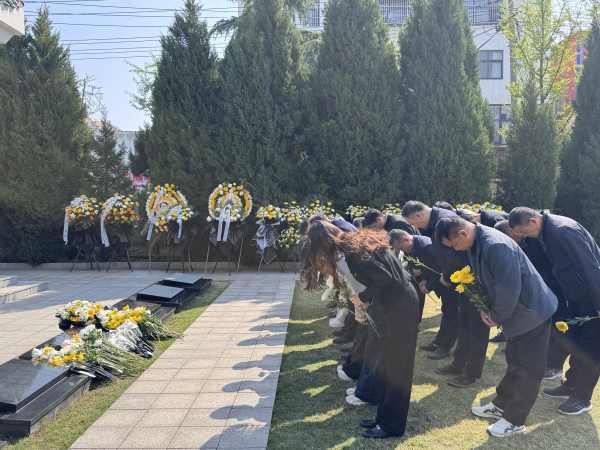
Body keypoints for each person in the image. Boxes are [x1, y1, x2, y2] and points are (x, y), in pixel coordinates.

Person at [436, 216, 557, 437]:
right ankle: (500, 405)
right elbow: (486, 280)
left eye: (454, 244)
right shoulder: (476, 243)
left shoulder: (496, 245)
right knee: (514, 361)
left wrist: (495, 315)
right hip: (517, 313)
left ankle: (515, 421)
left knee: (529, 369)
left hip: (532, 313)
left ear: (462, 233)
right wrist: (487, 308)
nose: (456, 249)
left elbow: (509, 287)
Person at [301, 221, 419, 439]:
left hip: (400, 306)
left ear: (323, 243)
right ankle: (382, 418)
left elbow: (385, 278)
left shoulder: (354, 252)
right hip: (393, 304)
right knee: (387, 364)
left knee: (397, 368)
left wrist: (362, 297)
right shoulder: (353, 247)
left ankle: (391, 426)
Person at [509, 207, 600, 415]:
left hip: (591, 297)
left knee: (592, 346)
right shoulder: (546, 232)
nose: (524, 236)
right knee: (576, 341)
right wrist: (568, 296)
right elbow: (562, 267)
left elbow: (590, 266)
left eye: (524, 231)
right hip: (576, 296)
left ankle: (582, 397)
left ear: (533, 221)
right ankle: (571, 385)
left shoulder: (562, 230)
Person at [402, 201, 483, 388]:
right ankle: (457, 362)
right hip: (455, 278)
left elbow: (457, 252)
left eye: (413, 223)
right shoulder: (435, 221)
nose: (415, 228)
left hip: (466, 278)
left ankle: (470, 371)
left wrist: (447, 275)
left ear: (418, 215)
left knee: (471, 326)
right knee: (460, 319)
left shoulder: (445, 220)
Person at [495, 220, 570, 379]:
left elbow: (558, 264)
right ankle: (544, 359)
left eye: (510, 236)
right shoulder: (519, 243)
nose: (511, 241)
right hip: (541, 291)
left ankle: (555, 365)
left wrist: (567, 293)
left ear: (514, 229)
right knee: (545, 327)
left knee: (559, 326)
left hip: (558, 289)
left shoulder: (536, 240)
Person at [390, 230, 459, 360]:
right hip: (442, 285)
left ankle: (445, 348)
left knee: (453, 316)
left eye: (400, 248)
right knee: (446, 313)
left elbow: (438, 269)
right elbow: (426, 267)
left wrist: (429, 286)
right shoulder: (416, 246)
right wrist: (424, 280)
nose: (401, 251)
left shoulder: (426, 246)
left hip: (449, 285)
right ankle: (438, 342)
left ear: (406, 240)